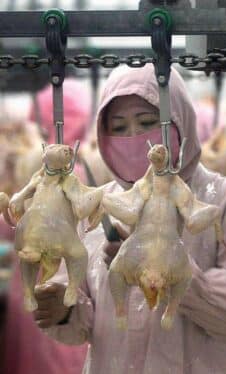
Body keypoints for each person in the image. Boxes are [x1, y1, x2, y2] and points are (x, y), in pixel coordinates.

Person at [33, 65, 226, 373]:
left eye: (148, 123)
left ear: (180, 121)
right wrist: (64, 310)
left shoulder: (224, 201)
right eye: (119, 127)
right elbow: (82, 322)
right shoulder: (98, 207)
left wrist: (168, 269)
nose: (134, 137)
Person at [2, 79, 91, 374]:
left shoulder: (28, 166)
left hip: (34, 299)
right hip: (66, 300)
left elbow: (11, 223)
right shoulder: (82, 171)